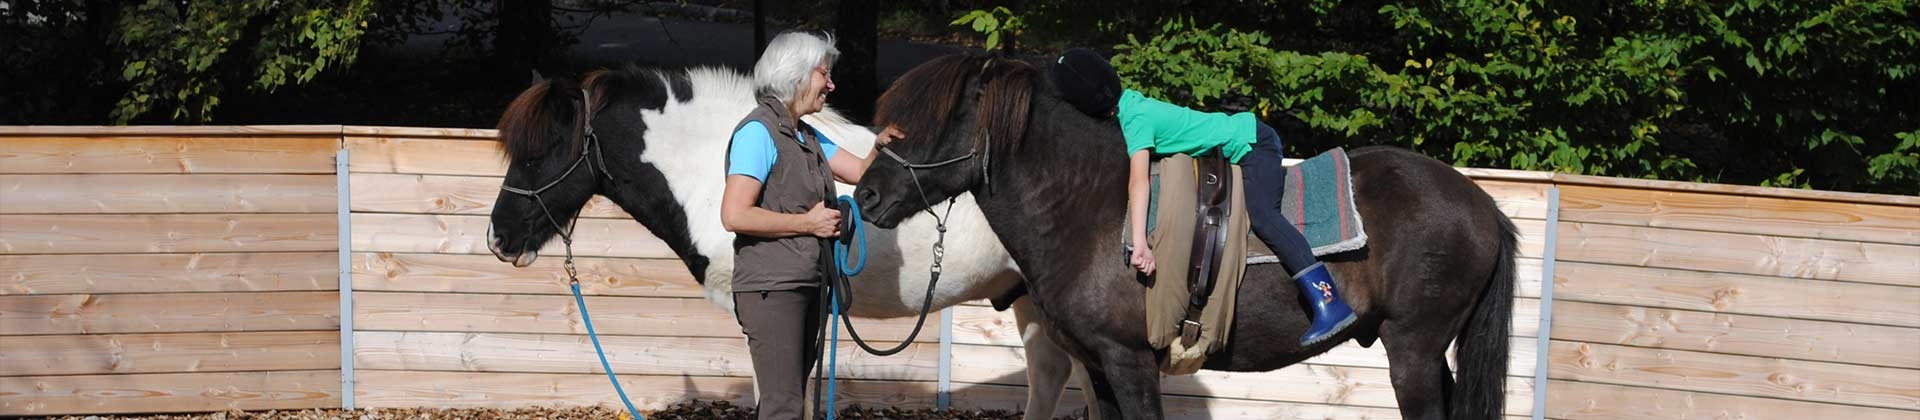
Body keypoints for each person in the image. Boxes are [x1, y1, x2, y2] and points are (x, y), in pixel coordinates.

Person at [1051, 47, 1356, 347]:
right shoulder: (1132, 104)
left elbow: (1138, 183)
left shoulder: (1136, 120)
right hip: (1244, 137)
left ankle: (1328, 301)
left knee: (1263, 216)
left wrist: (1141, 244)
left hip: (1254, 144)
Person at [719, 30, 898, 420]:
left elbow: (860, 172)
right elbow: (735, 214)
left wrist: (881, 146)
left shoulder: (806, 135)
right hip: (772, 288)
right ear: (796, 74)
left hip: (805, 283)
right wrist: (808, 223)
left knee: (790, 401)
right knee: (784, 406)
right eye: (824, 74)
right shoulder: (757, 133)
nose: (831, 85)